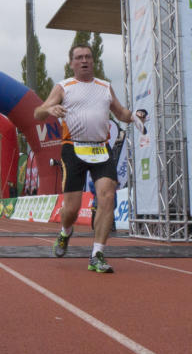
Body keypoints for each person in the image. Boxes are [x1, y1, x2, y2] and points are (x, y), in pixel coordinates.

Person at [33, 44, 146, 273]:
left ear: (93, 61)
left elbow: (121, 113)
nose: (84, 60)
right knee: (72, 209)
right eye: (79, 57)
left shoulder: (105, 87)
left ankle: (97, 254)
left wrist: (135, 116)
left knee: (108, 196)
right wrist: (50, 109)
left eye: (87, 57)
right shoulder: (64, 87)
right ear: (71, 63)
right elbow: (38, 113)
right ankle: (65, 232)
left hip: (101, 149)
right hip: (73, 149)